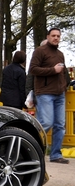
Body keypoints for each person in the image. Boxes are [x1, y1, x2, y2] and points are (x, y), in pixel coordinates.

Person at [29, 28, 70, 164]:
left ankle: (55, 154)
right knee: (46, 123)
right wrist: (53, 70)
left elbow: (63, 73)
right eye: (53, 35)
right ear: (48, 36)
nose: (56, 38)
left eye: (58, 36)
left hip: (60, 94)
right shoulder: (40, 51)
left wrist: (64, 85)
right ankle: (31, 150)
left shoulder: (60, 54)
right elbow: (33, 69)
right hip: (45, 93)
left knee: (60, 125)